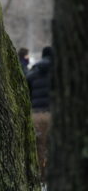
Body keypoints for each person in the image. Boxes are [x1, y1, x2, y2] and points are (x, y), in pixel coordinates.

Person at [26, 46, 53, 183]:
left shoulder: (33, 72)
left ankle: (41, 176)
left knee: (39, 146)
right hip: (53, 114)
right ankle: (52, 176)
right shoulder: (60, 71)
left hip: (36, 114)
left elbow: (26, 92)